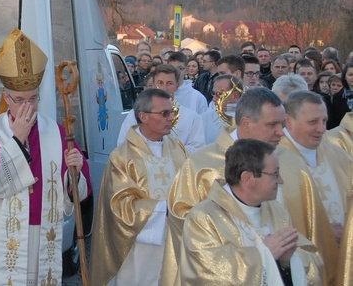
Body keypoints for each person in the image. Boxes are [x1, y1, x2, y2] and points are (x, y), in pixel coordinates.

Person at [162, 87, 335, 285]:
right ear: (246, 123)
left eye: (282, 124)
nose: (281, 133)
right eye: (272, 125)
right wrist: (257, 252)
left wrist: (290, 258)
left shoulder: (292, 162)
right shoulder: (201, 165)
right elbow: (189, 237)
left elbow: (308, 231)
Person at [0, 28, 91, 284]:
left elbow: (77, 194)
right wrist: (17, 139)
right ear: (6, 97)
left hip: (44, 233)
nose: (28, 106)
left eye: (33, 98)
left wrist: (75, 171)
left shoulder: (56, 132)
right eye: (20, 99)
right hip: (4, 233)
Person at [178, 139, 323, 285]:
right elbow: (209, 273)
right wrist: (265, 254)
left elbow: (312, 261)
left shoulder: (277, 210)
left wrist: (288, 261)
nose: (281, 180)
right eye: (275, 174)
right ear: (247, 178)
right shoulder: (203, 217)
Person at [91, 88, 187, 284]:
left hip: (175, 239)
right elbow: (119, 205)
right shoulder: (122, 157)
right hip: (139, 247)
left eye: (172, 112)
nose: (171, 118)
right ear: (143, 116)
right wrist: (163, 209)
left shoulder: (178, 149)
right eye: (164, 113)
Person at [281, 91, 352, 246]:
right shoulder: (274, 161)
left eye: (324, 121)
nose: (321, 129)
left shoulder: (339, 156)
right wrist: (322, 232)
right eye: (313, 122)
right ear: (289, 121)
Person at [117, 64, 205, 153]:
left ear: (177, 86)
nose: (164, 88)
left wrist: (168, 150)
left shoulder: (192, 117)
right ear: (153, 84)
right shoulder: (138, 114)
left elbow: (198, 150)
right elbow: (123, 145)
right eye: (160, 83)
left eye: (170, 83)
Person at [200, 75, 243, 144]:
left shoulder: (250, 118)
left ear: (235, 96)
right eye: (214, 94)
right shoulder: (203, 118)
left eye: (219, 94)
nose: (214, 99)